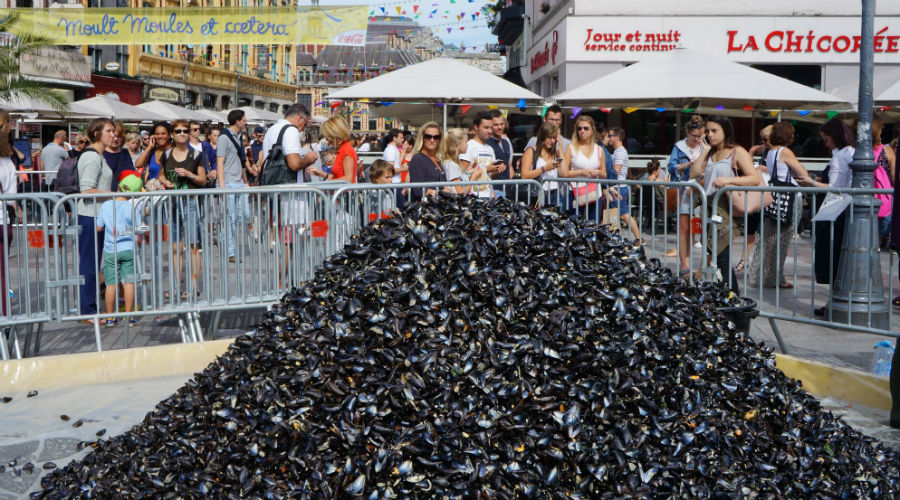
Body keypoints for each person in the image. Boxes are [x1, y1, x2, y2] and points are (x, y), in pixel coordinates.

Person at [689, 114, 761, 294]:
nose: (710, 135)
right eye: (707, 131)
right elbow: (694, 173)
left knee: (720, 255)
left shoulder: (737, 151)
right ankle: (729, 298)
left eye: (714, 131)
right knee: (716, 255)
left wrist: (728, 181)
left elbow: (754, 178)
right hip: (709, 207)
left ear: (725, 131)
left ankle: (732, 299)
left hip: (726, 208)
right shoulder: (711, 152)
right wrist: (705, 151)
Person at [748, 122, 811, 289]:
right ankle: (774, 279)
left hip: (774, 196)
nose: (794, 137)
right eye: (792, 134)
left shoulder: (771, 152)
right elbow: (802, 173)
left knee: (767, 239)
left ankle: (757, 276)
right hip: (789, 199)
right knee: (782, 240)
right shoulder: (785, 151)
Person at [804, 118, 855, 315]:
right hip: (840, 209)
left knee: (833, 257)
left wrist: (810, 182)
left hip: (837, 209)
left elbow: (836, 187)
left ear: (835, 137)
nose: (825, 144)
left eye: (827, 140)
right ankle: (835, 302)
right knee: (835, 257)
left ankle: (835, 302)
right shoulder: (847, 153)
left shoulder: (841, 155)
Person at [158, 118, 206, 299]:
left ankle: (193, 286)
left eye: (185, 131)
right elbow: (161, 174)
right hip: (172, 204)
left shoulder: (195, 155)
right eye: (178, 131)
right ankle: (176, 287)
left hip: (190, 203)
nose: (182, 134)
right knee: (176, 248)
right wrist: (165, 182)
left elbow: (202, 180)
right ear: (172, 134)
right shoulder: (167, 154)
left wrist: (189, 174)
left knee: (193, 247)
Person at [76, 118, 116, 321]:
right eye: (109, 131)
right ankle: (87, 310)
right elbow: (86, 190)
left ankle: (89, 307)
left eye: (114, 131)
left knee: (93, 262)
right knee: (89, 264)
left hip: (97, 216)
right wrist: (113, 194)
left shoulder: (100, 156)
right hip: (89, 215)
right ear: (96, 134)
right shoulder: (92, 157)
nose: (114, 135)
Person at [96, 172, 143, 327]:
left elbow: (98, 227)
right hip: (128, 248)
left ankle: (110, 317)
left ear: (120, 186)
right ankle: (129, 317)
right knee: (128, 283)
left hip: (111, 249)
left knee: (111, 284)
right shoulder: (132, 208)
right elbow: (138, 227)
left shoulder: (107, 205)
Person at [666, 115, 705, 275]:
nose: (697, 139)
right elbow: (671, 167)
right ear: (687, 133)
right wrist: (686, 166)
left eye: (700, 136)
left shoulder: (706, 147)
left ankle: (701, 267)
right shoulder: (679, 147)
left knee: (700, 228)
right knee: (684, 229)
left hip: (701, 191)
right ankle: (684, 265)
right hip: (684, 191)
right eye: (694, 136)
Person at [218, 110, 252, 262]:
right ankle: (229, 252)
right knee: (230, 218)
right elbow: (220, 162)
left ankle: (222, 238)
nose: (246, 123)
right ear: (237, 121)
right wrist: (222, 186)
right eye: (244, 120)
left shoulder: (240, 137)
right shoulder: (224, 138)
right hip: (228, 182)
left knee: (244, 214)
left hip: (238, 182)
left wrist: (246, 181)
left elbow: (241, 161)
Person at [0, 111, 20, 319]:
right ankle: (4, 318)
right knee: (3, 276)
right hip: (2, 222)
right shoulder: (7, 163)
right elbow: (11, 198)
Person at [460, 112, 505, 199]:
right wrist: (486, 169)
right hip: (474, 196)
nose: (490, 131)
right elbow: (463, 174)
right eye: (486, 127)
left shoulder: (490, 149)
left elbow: (490, 178)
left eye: (491, 128)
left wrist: (496, 171)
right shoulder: (469, 146)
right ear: (476, 127)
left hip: (489, 195)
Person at [608, 127, 642, 241]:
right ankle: (614, 238)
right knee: (614, 214)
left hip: (619, 187)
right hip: (616, 187)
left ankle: (639, 238)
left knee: (624, 215)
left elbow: (616, 171)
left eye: (610, 135)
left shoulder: (620, 152)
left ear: (617, 138)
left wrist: (605, 177)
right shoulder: (618, 151)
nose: (608, 138)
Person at [520, 123, 564, 205]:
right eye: (549, 137)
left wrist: (560, 148)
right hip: (538, 193)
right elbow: (524, 175)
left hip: (554, 194)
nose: (552, 141)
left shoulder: (554, 153)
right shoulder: (531, 151)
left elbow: (563, 173)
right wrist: (544, 169)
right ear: (542, 136)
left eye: (554, 138)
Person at [309, 117, 356, 183]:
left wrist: (327, 182)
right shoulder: (343, 149)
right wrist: (321, 174)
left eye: (328, 137)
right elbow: (338, 177)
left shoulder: (346, 150)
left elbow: (348, 179)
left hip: (344, 192)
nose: (327, 140)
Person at [407, 122, 444, 202]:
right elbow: (418, 190)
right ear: (422, 138)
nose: (432, 140)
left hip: (438, 207)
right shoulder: (417, 158)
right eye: (428, 136)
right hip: (425, 209)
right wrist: (439, 193)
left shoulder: (437, 159)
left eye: (436, 137)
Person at [486, 109, 513, 196]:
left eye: (501, 124)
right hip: (494, 189)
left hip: (507, 189)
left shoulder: (506, 142)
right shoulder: (487, 143)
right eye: (496, 125)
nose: (500, 127)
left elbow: (509, 165)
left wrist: (514, 182)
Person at [104, 121, 136, 192]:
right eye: (114, 136)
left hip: (122, 195)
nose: (115, 139)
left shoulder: (125, 153)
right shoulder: (101, 153)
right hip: (105, 195)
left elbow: (131, 173)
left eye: (118, 136)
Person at [441, 128, 471, 195]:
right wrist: (474, 178)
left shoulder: (454, 163)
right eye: (465, 142)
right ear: (458, 144)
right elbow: (460, 193)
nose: (467, 145)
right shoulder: (451, 164)